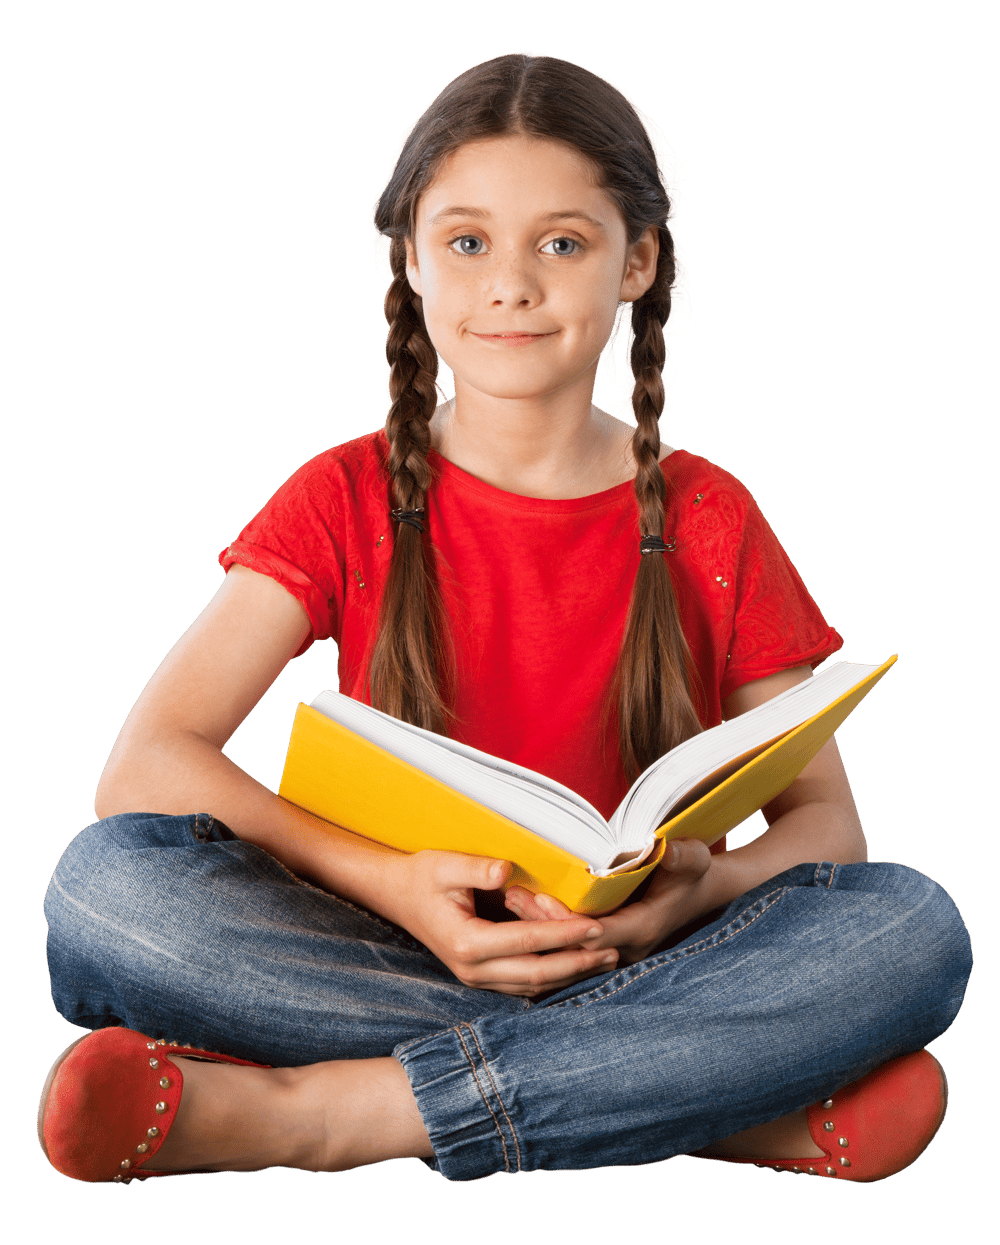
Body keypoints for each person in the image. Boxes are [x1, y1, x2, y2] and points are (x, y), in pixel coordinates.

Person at [38, 51, 971, 1185]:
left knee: (907, 931)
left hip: (654, 948)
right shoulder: (345, 495)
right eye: (468, 242)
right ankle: (717, 1105)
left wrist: (698, 888)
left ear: (636, 266)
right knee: (107, 893)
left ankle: (321, 1115)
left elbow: (829, 828)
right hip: (396, 940)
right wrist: (390, 884)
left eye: (562, 244)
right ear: (413, 267)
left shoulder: (708, 515)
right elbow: (144, 762)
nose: (510, 285)